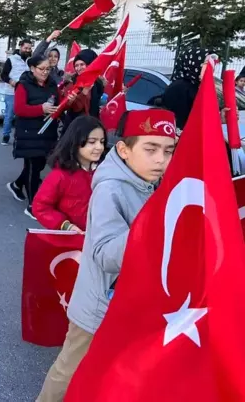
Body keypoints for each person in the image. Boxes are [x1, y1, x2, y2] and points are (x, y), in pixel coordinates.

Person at [36, 108, 176, 402]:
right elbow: (105, 255)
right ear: (124, 150)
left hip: (133, 306)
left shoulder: (154, 183)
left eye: (168, 150)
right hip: (97, 308)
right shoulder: (110, 190)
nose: (161, 159)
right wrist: (154, 223)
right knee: (68, 370)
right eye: (150, 149)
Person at [6, 55, 60, 219]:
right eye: (41, 69)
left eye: (47, 69)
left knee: (39, 165)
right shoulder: (23, 85)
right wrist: (40, 109)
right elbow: (20, 109)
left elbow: (57, 103)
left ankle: (16, 185)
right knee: (32, 167)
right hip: (29, 133)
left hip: (47, 132)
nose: (45, 72)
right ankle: (33, 205)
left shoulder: (52, 84)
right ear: (32, 68)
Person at [32, 116, 106, 233]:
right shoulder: (60, 176)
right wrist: (66, 226)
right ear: (75, 142)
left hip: (100, 239)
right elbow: (40, 207)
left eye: (102, 142)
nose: (99, 147)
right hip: (72, 240)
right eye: (92, 142)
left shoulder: (105, 171)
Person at [161, 46, 211, 131]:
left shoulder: (195, 86)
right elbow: (181, 121)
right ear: (194, 63)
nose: (210, 68)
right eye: (205, 64)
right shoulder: (179, 88)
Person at [0, 39, 32, 146]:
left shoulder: (30, 61)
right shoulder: (11, 59)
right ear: (20, 47)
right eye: (25, 48)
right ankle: (6, 135)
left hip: (25, 92)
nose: (27, 50)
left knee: (22, 115)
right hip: (11, 92)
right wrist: (11, 81)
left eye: (29, 48)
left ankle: (19, 136)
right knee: (9, 115)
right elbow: (3, 75)